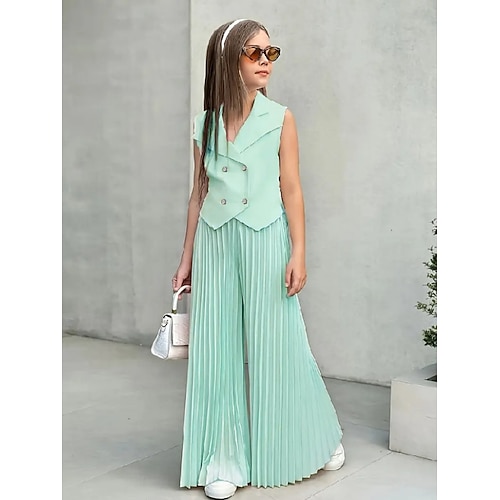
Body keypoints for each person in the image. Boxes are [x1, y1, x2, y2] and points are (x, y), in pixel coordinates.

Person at [172, 18, 345, 500]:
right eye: (254, 53)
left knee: (280, 346)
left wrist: (299, 252)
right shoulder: (204, 124)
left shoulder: (281, 118)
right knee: (215, 349)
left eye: (271, 52)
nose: (266, 61)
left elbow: (292, 189)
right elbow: (198, 192)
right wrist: (186, 257)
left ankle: (312, 438)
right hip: (215, 241)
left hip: (267, 237)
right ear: (229, 60)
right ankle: (221, 457)